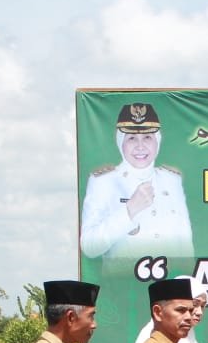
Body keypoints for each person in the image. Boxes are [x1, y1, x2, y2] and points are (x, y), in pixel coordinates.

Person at [80, 103, 193, 272]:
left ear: (157, 142)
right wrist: (129, 211)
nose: (140, 146)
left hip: (168, 290)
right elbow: (89, 246)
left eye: (147, 137)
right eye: (132, 138)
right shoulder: (104, 181)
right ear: (121, 143)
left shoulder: (171, 180)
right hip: (123, 287)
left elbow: (185, 245)